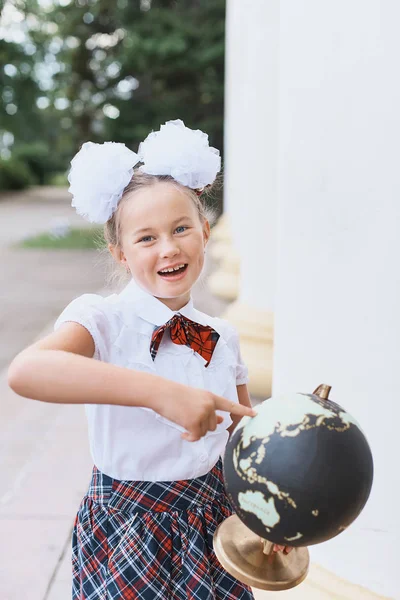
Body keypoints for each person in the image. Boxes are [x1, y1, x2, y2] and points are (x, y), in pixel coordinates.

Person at [8, 120, 288, 600]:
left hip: (211, 523)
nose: (169, 247)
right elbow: (26, 372)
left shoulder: (223, 336)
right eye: (146, 238)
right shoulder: (102, 319)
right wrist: (162, 393)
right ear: (119, 253)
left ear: (205, 231)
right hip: (129, 530)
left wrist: (269, 516)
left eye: (182, 228)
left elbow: (244, 446)